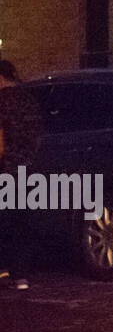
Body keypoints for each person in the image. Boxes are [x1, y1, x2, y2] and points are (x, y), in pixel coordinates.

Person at [0, 60, 43, 291]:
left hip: (5, 169)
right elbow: (37, 135)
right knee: (22, 222)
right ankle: (21, 276)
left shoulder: (2, 101)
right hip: (27, 170)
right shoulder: (29, 100)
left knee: (5, 221)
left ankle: (5, 270)